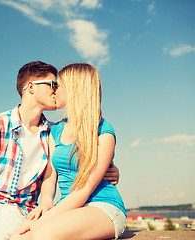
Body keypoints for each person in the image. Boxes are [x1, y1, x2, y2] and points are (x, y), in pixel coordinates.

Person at [0, 61, 120, 240]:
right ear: (30, 87)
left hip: (20, 209)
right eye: (52, 84)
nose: (55, 90)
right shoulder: (1, 126)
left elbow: (82, 162)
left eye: (58, 86)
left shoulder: (53, 131)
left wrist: (108, 167)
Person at [10, 63, 126, 240]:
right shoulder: (55, 130)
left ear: (73, 89)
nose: (53, 90)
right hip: (68, 208)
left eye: (57, 85)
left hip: (102, 206)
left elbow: (84, 191)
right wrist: (47, 202)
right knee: (18, 237)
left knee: (42, 234)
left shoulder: (103, 131)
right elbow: (50, 174)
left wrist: (37, 223)